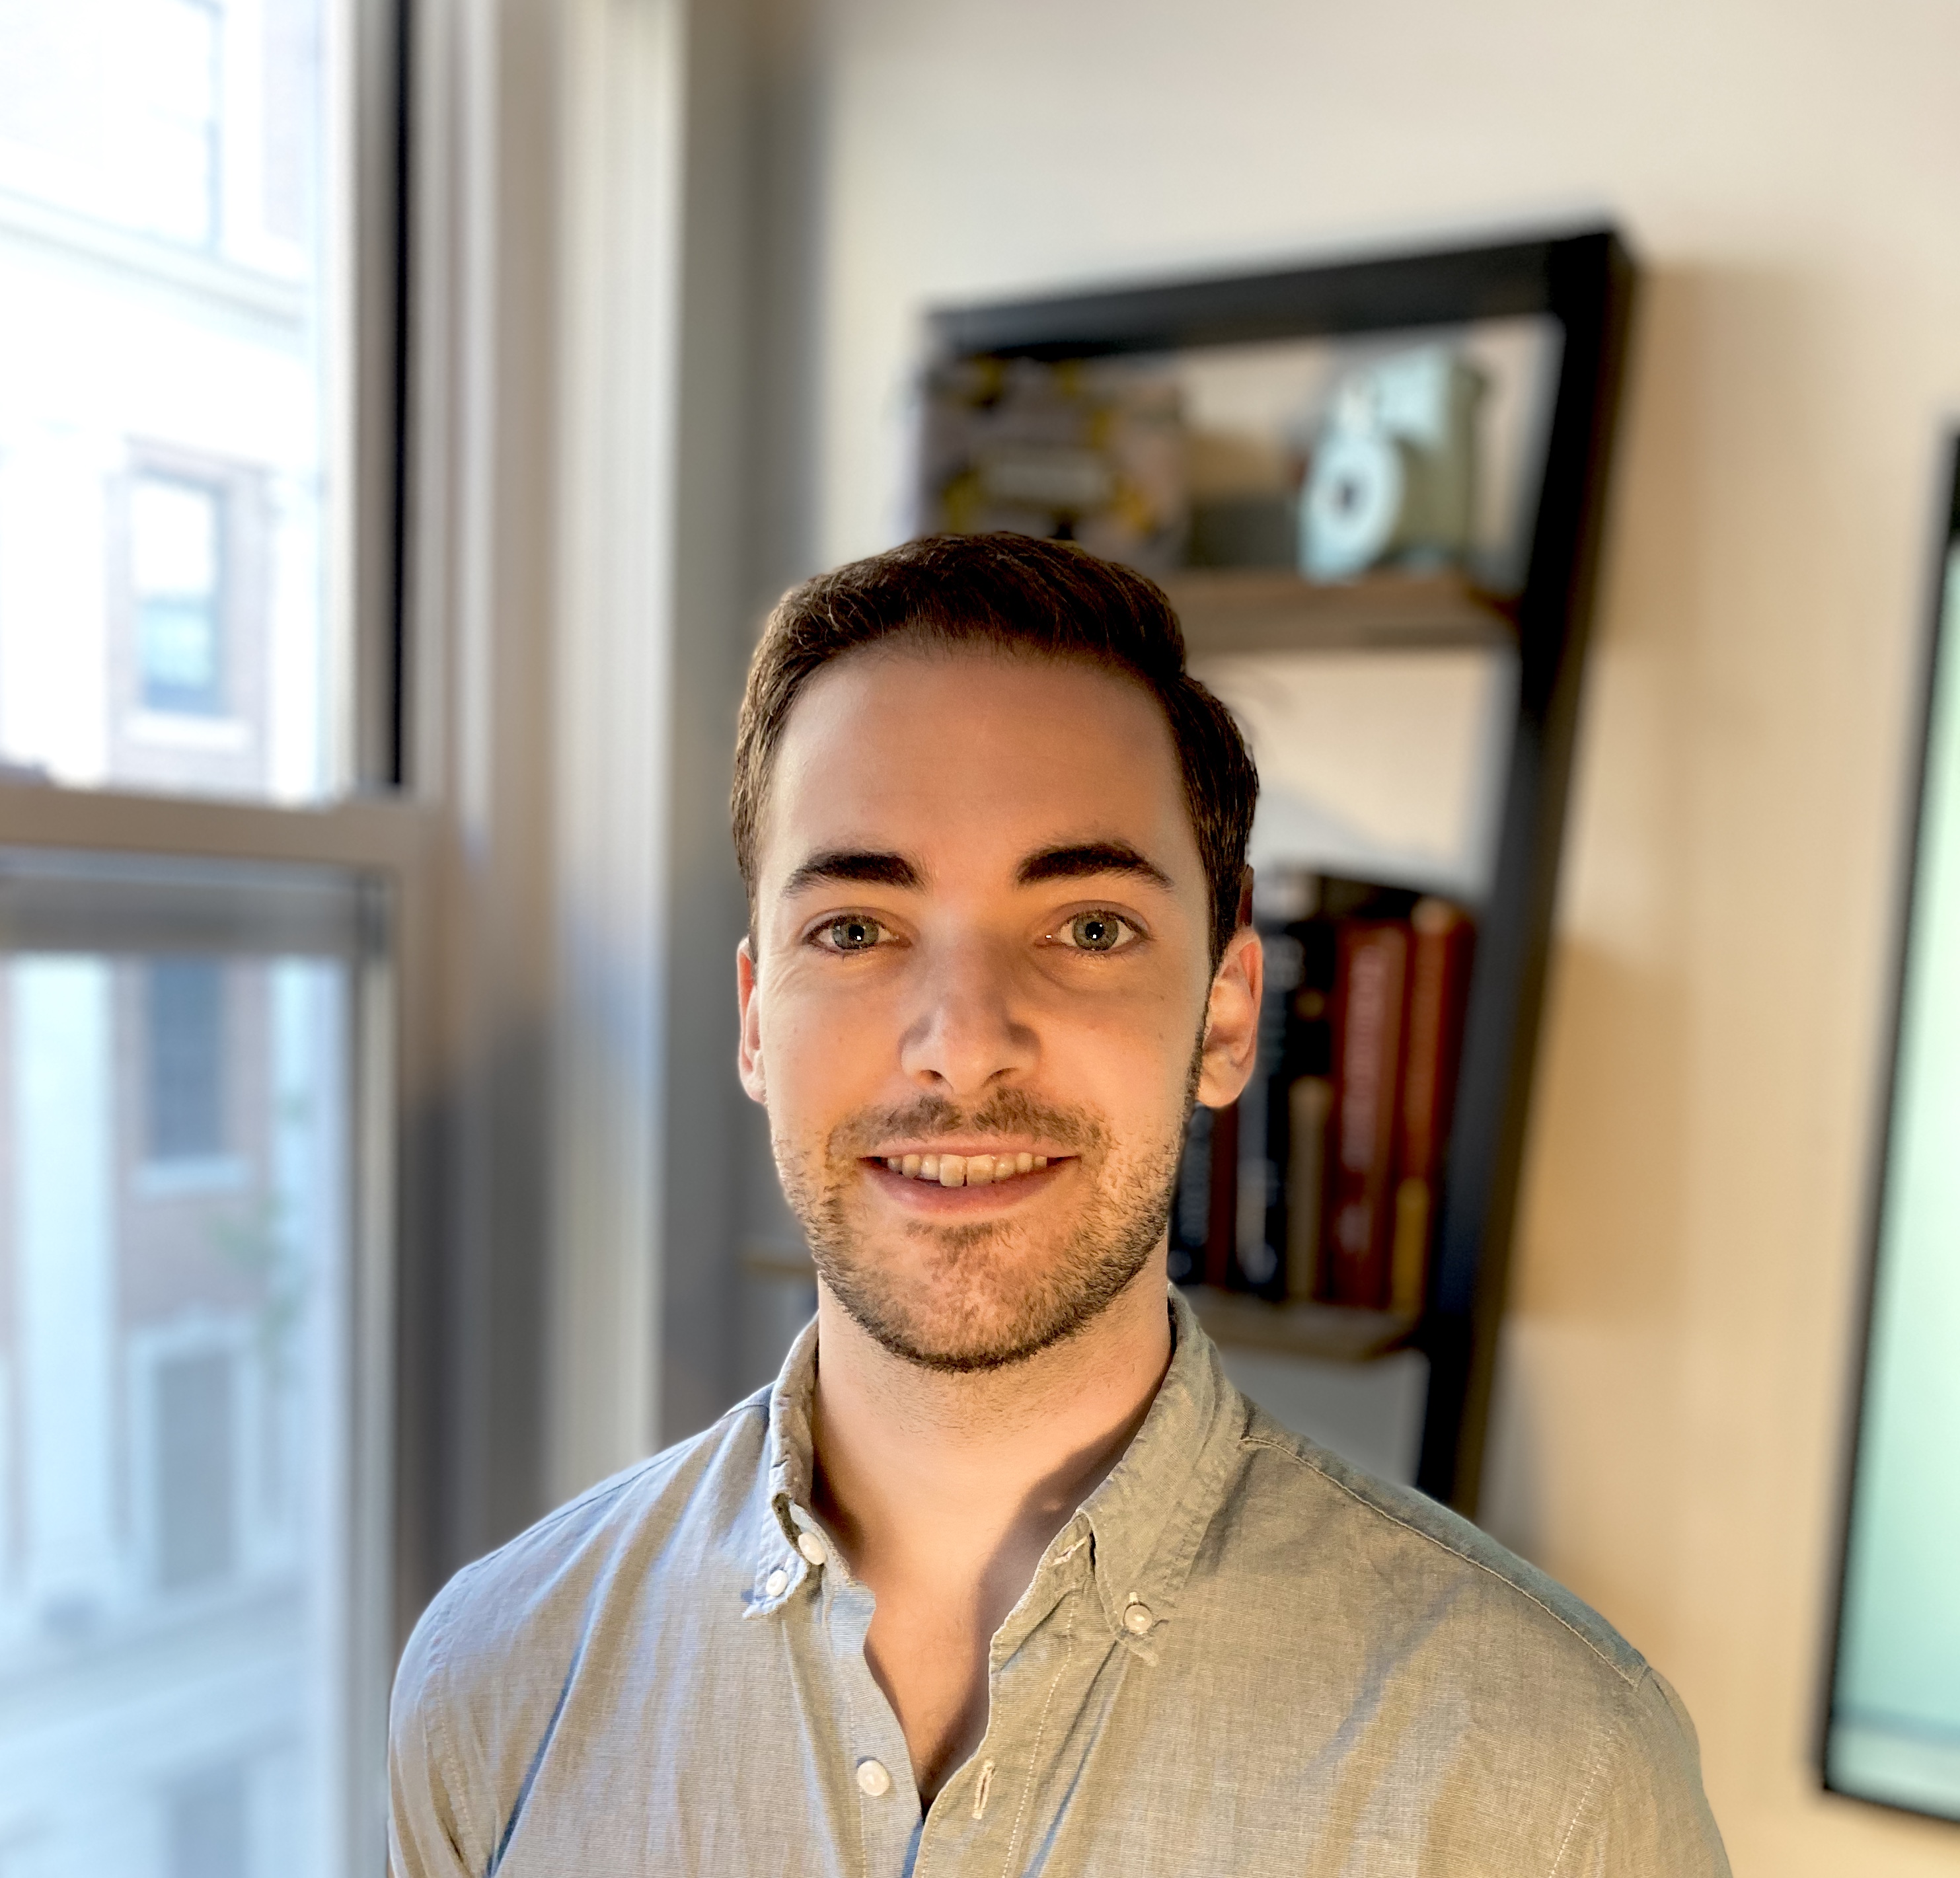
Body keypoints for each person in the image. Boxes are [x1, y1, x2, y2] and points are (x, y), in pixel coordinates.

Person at [388, 532, 1730, 1875]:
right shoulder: (492, 1684)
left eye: (1088, 927)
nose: (964, 1044)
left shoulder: (1551, 1778)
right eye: (854, 928)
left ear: (1226, 1016)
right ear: (754, 1019)